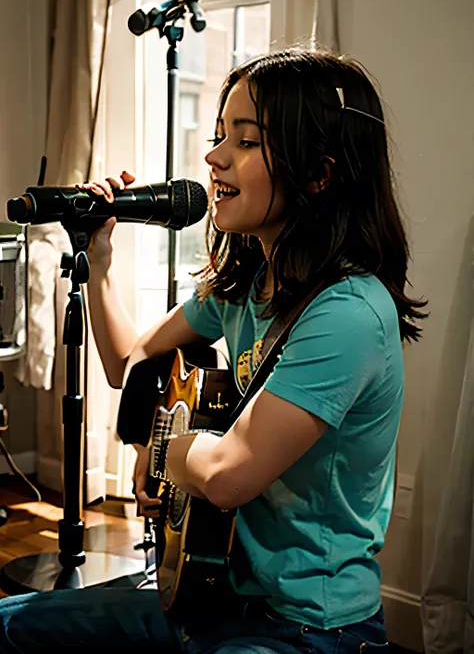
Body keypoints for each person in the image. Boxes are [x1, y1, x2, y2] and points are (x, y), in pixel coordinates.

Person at [0, 48, 426, 653]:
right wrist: (98, 263)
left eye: (246, 142)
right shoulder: (248, 282)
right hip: (209, 593)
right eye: (221, 134)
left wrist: (162, 453)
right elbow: (129, 362)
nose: (213, 157)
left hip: (306, 626)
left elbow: (225, 477)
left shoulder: (349, 313)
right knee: (10, 623)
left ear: (319, 173)